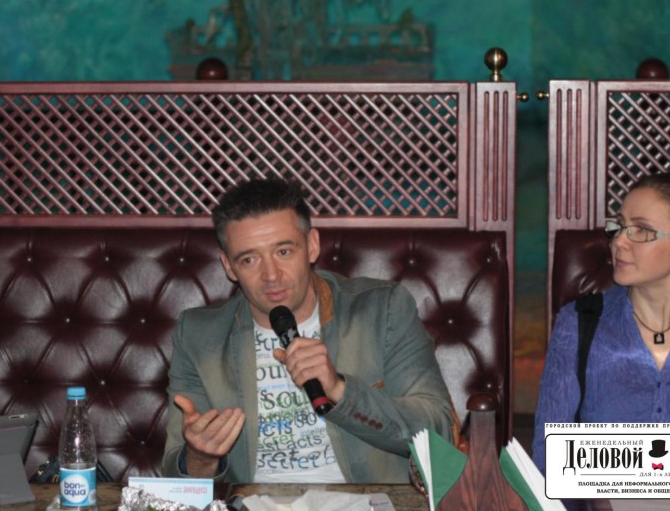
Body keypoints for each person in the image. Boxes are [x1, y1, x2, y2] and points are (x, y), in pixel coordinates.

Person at [162, 177, 456, 483]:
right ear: (229, 266)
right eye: (249, 259)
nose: (271, 275)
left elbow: (439, 432)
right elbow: (175, 477)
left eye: (284, 252)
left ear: (312, 246)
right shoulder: (199, 336)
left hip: (366, 501)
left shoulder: (382, 310)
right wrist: (201, 457)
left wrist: (340, 390)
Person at [533, 172, 670, 487]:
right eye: (620, 226)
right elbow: (548, 462)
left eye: (641, 230)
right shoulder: (579, 323)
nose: (619, 241)